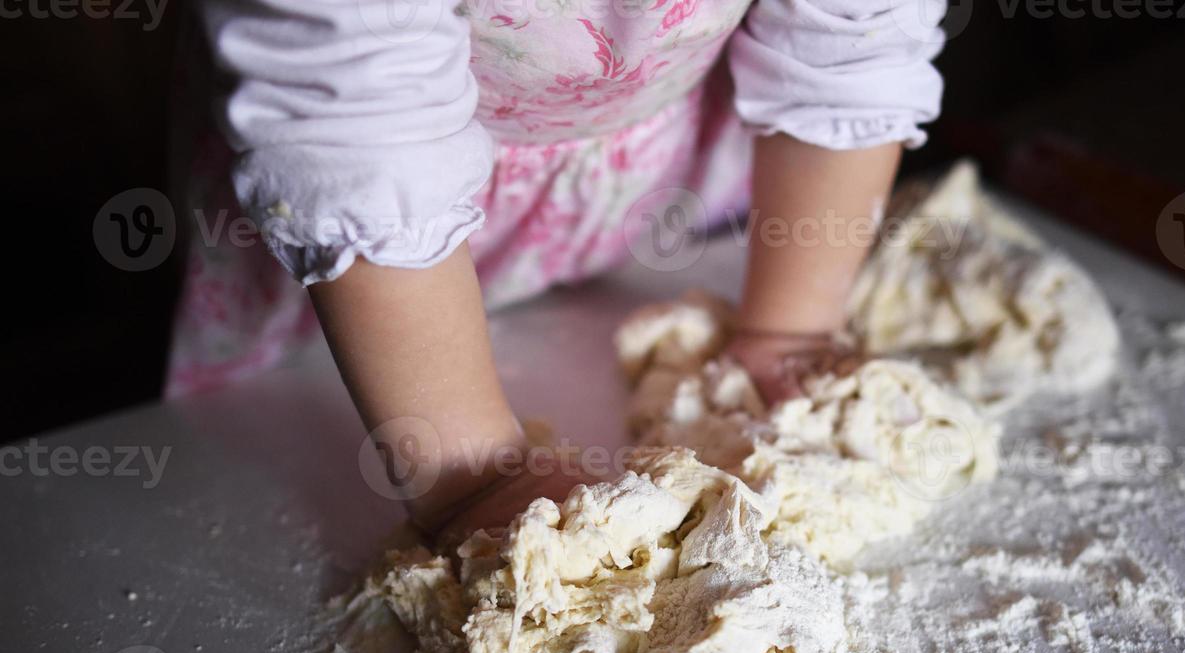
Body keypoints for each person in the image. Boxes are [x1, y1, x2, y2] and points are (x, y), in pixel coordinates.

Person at [181, 0, 946, 534]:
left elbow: (857, 38)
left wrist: (789, 331)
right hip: (368, 255)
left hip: (651, 185)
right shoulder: (358, 184)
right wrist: (471, 475)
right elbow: (354, 116)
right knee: (260, 419)